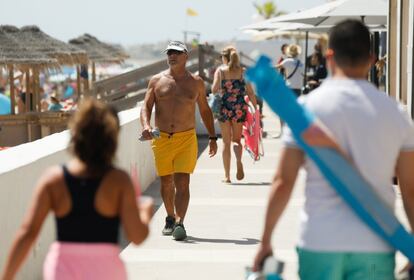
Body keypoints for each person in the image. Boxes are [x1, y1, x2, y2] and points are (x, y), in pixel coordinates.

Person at [253, 19, 414, 280]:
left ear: (329, 56)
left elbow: (283, 181)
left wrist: (266, 240)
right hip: (376, 244)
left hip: (320, 241)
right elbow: (410, 191)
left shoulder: (305, 108)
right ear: (372, 59)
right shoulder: (396, 113)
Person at [1, 99, 153, 280]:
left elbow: (28, 234)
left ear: (76, 135)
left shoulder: (54, 180)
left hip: (62, 270)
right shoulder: (118, 181)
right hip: (106, 270)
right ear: (112, 139)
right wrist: (145, 212)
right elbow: (137, 236)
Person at [140, 41, 218, 241]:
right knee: (167, 182)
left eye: (176, 52)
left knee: (183, 181)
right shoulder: (156, 81)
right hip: (162, 138)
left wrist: (212, 137)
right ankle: (169, 216)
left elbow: (204, 110)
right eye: (169, 53)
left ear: (186, 56)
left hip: (186, 138)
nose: (172, 56)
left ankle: (180, 222)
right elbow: (146, 107)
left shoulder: (196, 82)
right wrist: (146, 126)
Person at [211, 46, 258, 184]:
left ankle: (227, 176)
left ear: (225, 58)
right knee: (236, 140)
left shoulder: (221, 71)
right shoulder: (243, 72)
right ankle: (238, 160)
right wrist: (255, 110)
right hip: (239, 107)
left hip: (224, 108)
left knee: (226, 142)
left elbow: (214, 89)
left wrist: (222, 88)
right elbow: (250, 92)